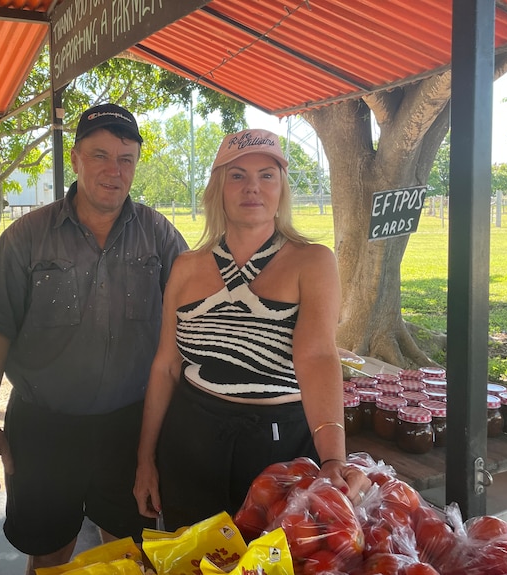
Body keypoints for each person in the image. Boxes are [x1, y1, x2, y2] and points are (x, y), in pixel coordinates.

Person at [0, 103, 188, 574]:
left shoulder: (160, 236)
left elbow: (190, 322)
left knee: (131, 548)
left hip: (132, 429)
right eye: (100, 155)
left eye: (126, 158)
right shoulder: (27, 236)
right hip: (43, 430)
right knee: (48, 552)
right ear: (77, 158)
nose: (113, 170)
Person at [133, 128, 370, 530]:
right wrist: (145, 460)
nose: (252, 188)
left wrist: (333, 459)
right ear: (218, 189)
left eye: (267, 175)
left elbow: (317, 355)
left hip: (280, 451)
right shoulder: (186, 266)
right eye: (237, 175)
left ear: (281, 190)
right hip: (191, 442)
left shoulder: (312, 261)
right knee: (195, 558)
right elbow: (166, 366)